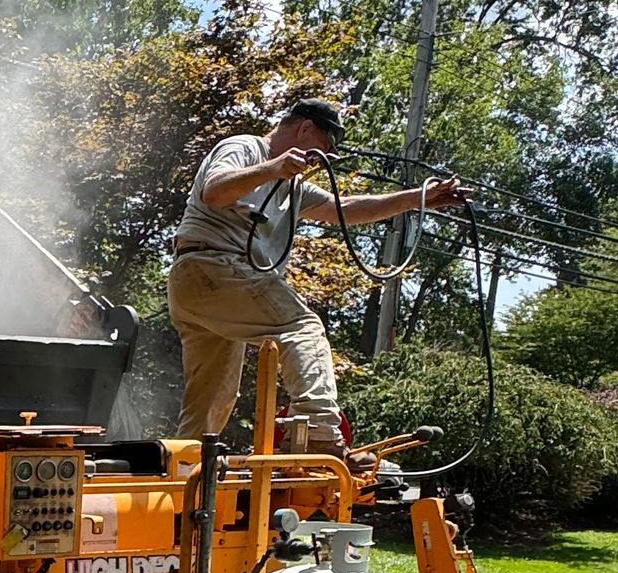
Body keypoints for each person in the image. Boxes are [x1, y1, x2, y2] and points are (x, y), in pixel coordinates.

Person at [167, 93, 465, 449]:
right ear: (305, 127)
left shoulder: (293, 187)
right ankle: (320, 433)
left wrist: (418, 197)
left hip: (203, 285)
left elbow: (347, 208)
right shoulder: (246, 148)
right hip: (213, 267)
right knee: (302, 326)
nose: (322, 157)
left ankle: (182, 476)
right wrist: (273, 167)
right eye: (323, 145)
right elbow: (214, 191)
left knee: (212, 399)